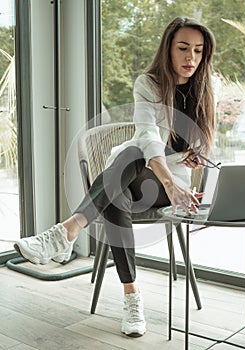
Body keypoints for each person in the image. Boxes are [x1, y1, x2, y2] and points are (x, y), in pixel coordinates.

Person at [14, 16, 217, 338]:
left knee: (118, 179)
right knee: (130, 163)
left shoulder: (207, 87)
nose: (191, 58)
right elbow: (147, 135)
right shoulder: (147, 84)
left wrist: (194, 154)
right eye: (182, 48)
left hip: (167, 191)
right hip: (148, 179)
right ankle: (131, 297)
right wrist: (167, 175)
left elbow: (206, 140)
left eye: (198, 50)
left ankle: (66, 231)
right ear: (168, 49)